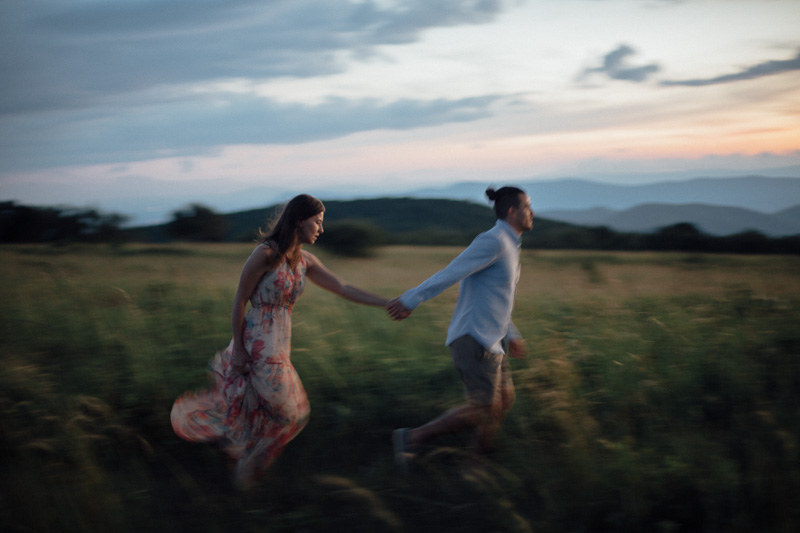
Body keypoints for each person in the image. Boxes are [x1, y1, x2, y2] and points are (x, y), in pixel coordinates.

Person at [171, 194, 389, 489]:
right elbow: (239, 302)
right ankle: (244, 474)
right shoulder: (265, 253)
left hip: (279, 347)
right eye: (318, 222)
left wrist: (387, 302)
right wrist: (239, 353)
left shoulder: (305, 261)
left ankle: (240, 466)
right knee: (292, 414)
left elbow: (342, 287)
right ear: (300, 220)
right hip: (256, 345)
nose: (321, 229)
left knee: (279, 413)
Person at [387, 186, 534, 468]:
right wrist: (409, 300)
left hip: (494, 339)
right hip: (474, 338)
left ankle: (476, 464)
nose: (533, 212)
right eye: (528, 207)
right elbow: (451, 272)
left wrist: (512, 333)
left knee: (502, 402)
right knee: (483, 410)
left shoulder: (510, 244)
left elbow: (495, 297)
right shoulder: (493, 240)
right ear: (513, 211)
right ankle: (412, 438)